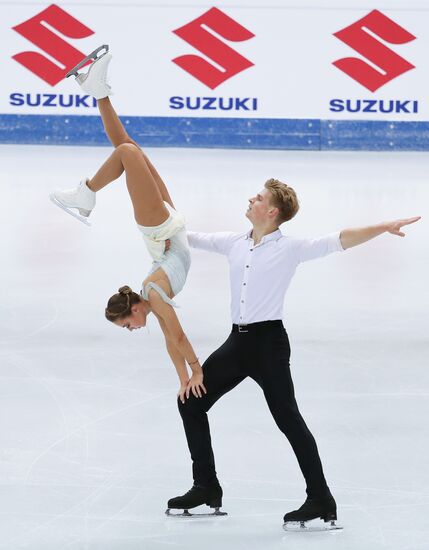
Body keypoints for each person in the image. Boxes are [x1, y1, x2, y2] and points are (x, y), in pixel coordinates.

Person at [166, 179, 420, 529]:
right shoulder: (234, 242)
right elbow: (188, 237)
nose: (251, 198)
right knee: (191, 403)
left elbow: (340, 239)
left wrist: (383, 226)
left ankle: (320, 497)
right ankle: (206, 486)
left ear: (272, 212)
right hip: (237, 344)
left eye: (258, 197)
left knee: (288, 419)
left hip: (269, 345)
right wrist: (158, 228)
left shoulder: (290, 248)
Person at [49, 47, 205, 403]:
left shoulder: (152, 293)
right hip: (169, 223)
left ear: (133, 310)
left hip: (160, 228)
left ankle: (85, 195)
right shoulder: (153, 299)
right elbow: (172, 341)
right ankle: (99, 91)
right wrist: (185, 377)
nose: (132, 329)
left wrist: (196, 369)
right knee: (127, 145)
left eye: (127, 325)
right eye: (128, 328)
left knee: (127, 154)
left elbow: (178, 339)